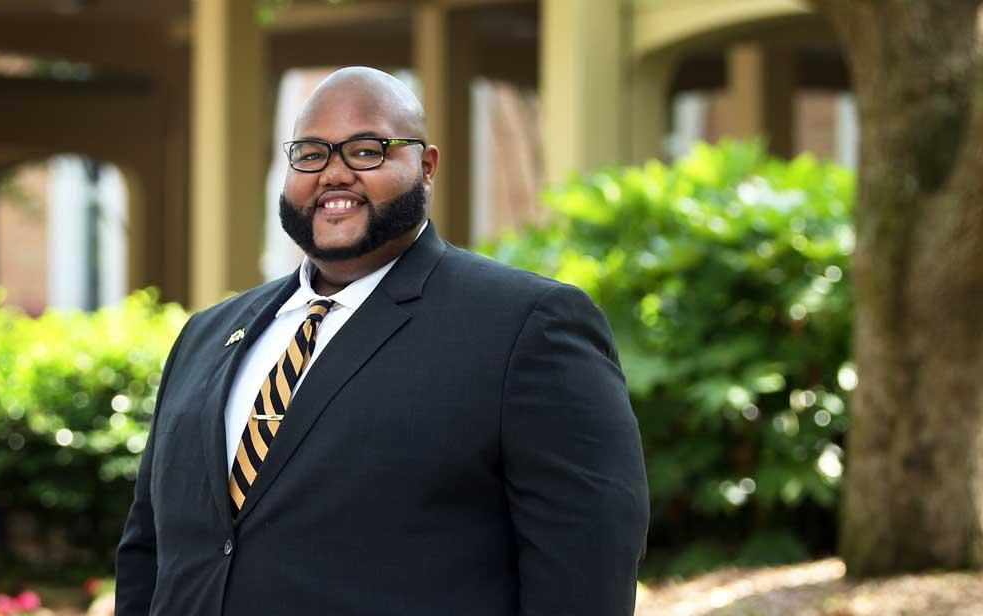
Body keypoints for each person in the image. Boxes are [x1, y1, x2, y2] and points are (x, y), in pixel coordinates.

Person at [115, 66, 649, 616]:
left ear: (426, 165)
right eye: (311, 153)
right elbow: (149, 549)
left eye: (367, 151)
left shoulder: (526, 326)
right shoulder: (206, 336)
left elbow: (587, 561)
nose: (333, 174)